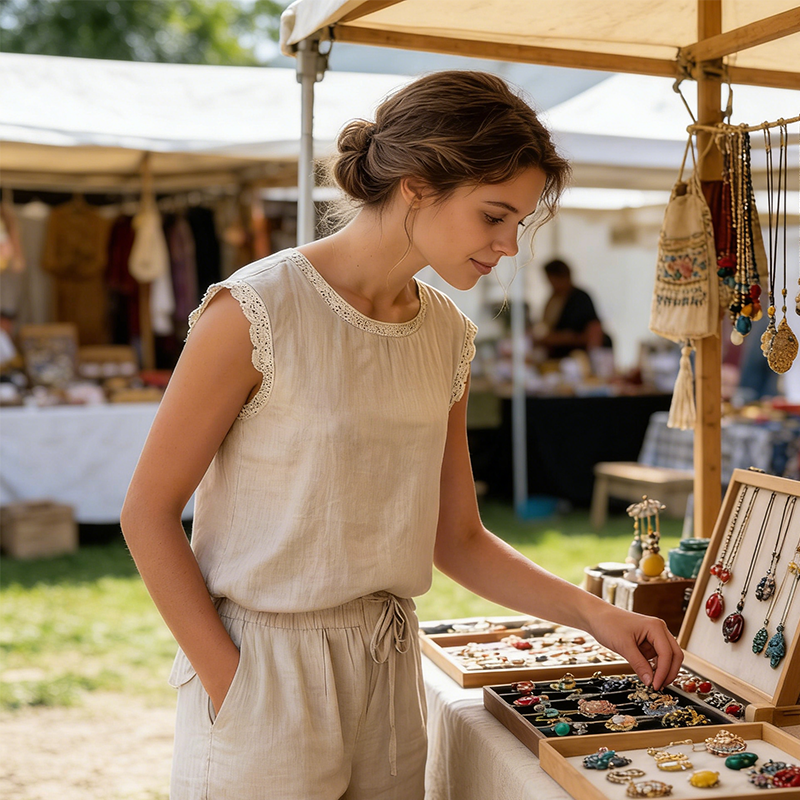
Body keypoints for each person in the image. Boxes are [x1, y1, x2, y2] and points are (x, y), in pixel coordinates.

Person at [121, 71, 683, 800]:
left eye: (518, 223)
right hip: (265, 668)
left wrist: (598, 615)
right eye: (493, 215)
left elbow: (457, 538)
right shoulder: (256, 309)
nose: (509, 245)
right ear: (417, 186)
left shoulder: (447, 334)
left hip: (390, 670)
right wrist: (233, 682)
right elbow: (147, 512)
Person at [537, 258, 612, 359]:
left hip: (577, 356)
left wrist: (562, 338)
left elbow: (593, 331)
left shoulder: (581, 298)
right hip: (559, 356)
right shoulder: (554, 298)